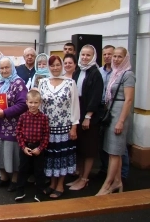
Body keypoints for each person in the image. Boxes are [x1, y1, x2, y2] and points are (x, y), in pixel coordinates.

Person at [38, 55, 80, 198]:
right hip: (47, 128)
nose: (55, 68)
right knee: (50, 156)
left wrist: (74, 126)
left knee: (61, 156)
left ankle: (60, 185)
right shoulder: (42, 82)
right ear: (48, 67)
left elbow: (75, 105)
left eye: (57, 65)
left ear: (61, 66)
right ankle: (52, 183)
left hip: (64, 127)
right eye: (52, 65)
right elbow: (38, 104)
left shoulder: (70, 83)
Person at [96, 47, 135, 195]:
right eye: (115, 57)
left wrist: (121, 121)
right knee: (112, 150)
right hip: (112, 112)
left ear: (125, 58)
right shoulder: (115, 73)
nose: (116, 59)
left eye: (120, 57)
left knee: (115, 152)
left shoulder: (128, 74)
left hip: (120, 113)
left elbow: (129, 99)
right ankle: (117, 181)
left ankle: (108, 185)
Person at [0, 57, 28, 192]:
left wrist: (5, 113)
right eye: (2, 68)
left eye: (7, 67)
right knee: (0, 151)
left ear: (12, 68)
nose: (4, 70)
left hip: (13, 126)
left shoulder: (19, 83)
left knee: (13, 153)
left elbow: (23, 104)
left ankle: (15, 179)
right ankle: (3, 177)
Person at [69, 45, 103, 191]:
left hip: (89, 115)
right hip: (78, 111)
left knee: (88, 149)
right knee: (81, 147)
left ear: (93, 56)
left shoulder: (96, 73)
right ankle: (80, 176)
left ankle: (84, 179)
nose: (84, 57)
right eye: (82, 54)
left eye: (88, 55)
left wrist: (88, 116)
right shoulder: (78, 71)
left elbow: (95, 97)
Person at [14, 90, 49, 202]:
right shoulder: (23, 116)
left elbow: (46, 135)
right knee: (23, 169)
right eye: (31, 102)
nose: (33, 105)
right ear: (26, 102)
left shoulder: (44, 118)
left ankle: (39, 193)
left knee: (39, 171)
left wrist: (40, 148)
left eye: (35, 102)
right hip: (26, 147)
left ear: (40, 103)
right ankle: (20, 191)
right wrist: (23, 147)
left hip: (38, 148)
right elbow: (18, 132)